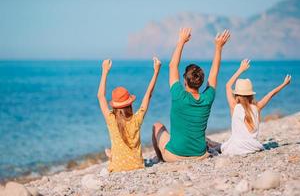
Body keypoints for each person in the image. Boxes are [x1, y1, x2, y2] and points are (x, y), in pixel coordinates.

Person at [152, 28, 230, 162]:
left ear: (184, 80)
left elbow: (172, 66)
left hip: (175, 156)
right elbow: (214, 73)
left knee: (157, 126)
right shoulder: (208, 98)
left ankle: (161, 159)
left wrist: (181, 41)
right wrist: (218, 47)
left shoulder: (178, 95)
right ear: (201, 82)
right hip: (200, 155)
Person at [97, 57, 161, 172]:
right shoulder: (136, 119)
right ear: (130, 104)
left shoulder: (111, 119)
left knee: (114, 150)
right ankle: (111, 153)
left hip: (117, 167)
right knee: (116, 149)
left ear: (114, 106)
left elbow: (101, 97)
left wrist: (104, 71)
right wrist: (156, 71)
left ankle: (111, 154)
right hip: (137, 165)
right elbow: (148, 95)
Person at [221, 59, 291, 155]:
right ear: (251, 95)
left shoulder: (234, 107)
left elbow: (228, 85)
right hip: (253, 147)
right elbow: (271, 94)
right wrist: (283, 84)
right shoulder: (257, 107)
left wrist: (241, 69)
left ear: (237, 95)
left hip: (236, 149)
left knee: (217, 145)